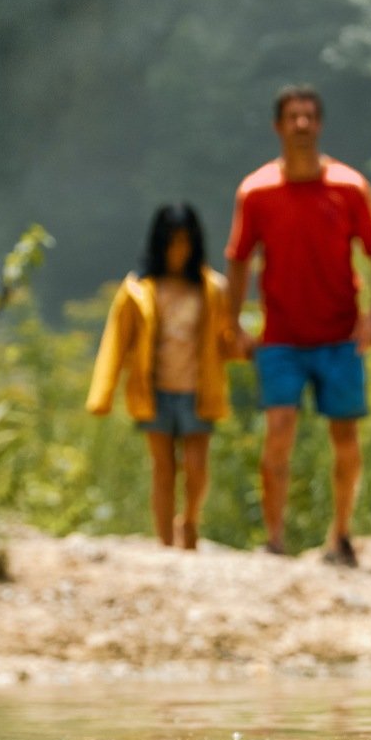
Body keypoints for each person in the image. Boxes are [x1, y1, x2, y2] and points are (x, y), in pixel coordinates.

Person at [225, 84, 371, 567]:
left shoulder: (348, 186)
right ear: (278, 126)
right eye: (292, 117)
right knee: (277, 431)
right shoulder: (256, 191)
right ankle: (274, 540)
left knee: (345, 437)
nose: (301, 125)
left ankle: (340, 536)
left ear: (319, 125)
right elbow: (238, 260)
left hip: (340, 335)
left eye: (309, 117)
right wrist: (234, 321)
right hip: (280, 336)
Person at [87, 203, 237, 550]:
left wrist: (248, 346)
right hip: (153, 391)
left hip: (199, 390)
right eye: (172, 241)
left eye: (185, 242)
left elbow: (226, 339)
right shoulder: (137, 290)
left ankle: (190, 522)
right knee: (163, 469)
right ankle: (166, 543)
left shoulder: (213, 289)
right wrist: (102, 394)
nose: (178, 250)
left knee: (197, 467)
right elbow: (115, 342)